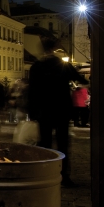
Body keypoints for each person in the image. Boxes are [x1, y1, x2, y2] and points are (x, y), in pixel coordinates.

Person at [28, 37, 88, 187]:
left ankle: (44, 173)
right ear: (54, 48)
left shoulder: (36, 66)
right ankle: (64, 176)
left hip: (44, 110)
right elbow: (81, 79)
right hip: (61, 109)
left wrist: (32, 111)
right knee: (63, 144)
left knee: (45, 143)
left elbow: (32, 91)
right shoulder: (62, 65)